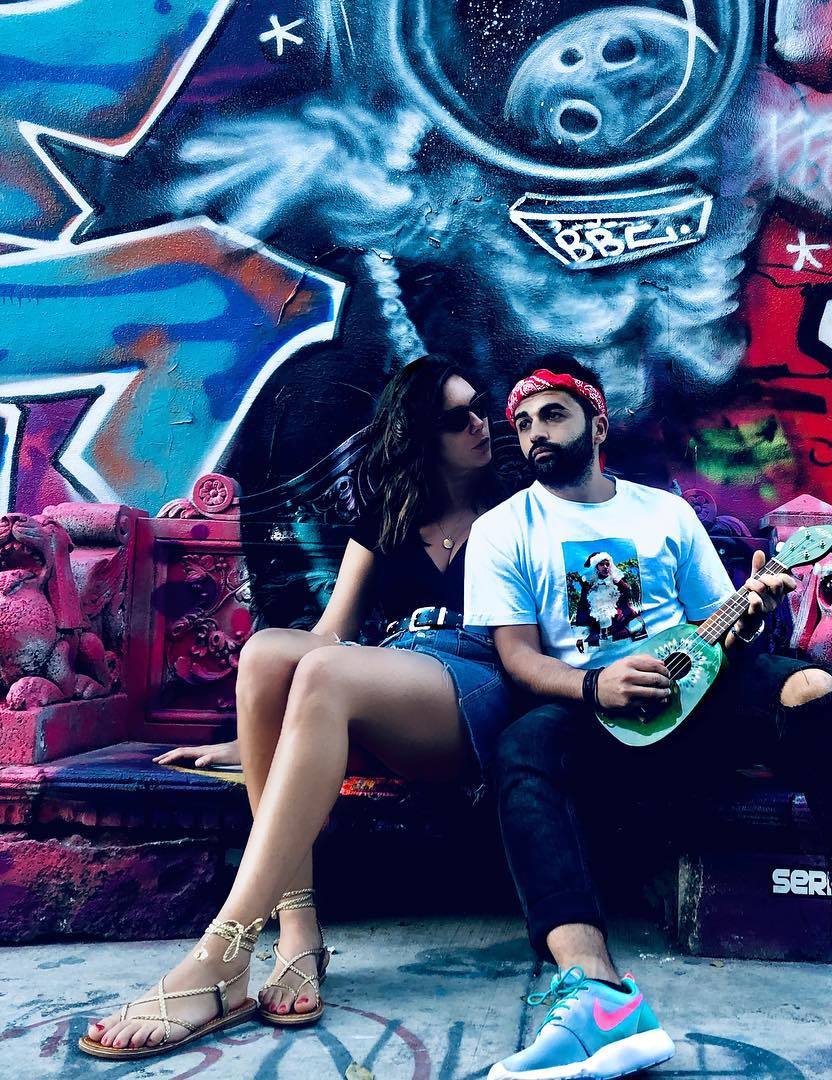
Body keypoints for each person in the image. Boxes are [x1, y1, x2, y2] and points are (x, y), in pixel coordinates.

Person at [463, 359, 832, 1078]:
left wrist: (750, 611)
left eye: (553, 415)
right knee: (520, 747)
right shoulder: (502, 529)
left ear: (598, 425)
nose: (535, 434)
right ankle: (598, 997)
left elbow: (714, 624)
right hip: (591, 717)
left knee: (812, 688)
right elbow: (517, 656)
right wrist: (593, 684)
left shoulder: (663, 513)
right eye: (523, 423)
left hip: (695, 701)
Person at [80, 357, 512, 1060]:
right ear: (419, 435)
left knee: (325, 672)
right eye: (456, 418)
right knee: (268, 653)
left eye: (481, 408)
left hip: (477, 681)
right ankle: (299, 930)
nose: (479, 425)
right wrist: (251, 739)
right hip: (391, 676)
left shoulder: (517, 508)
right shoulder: (389, 517)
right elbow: (332, 631)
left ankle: (221, 952)